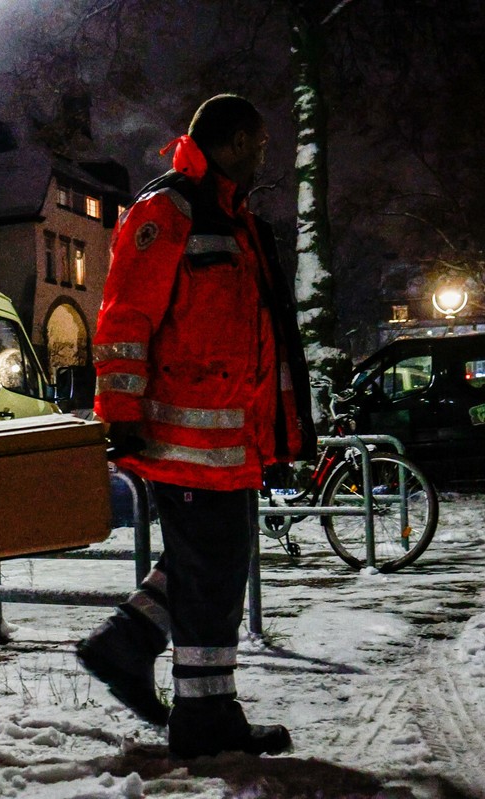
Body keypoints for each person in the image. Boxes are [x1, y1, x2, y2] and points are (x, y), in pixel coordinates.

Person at [76, 94, 316, 760]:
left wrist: (274, 433)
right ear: (234, 141)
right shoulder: (167, 211)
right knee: (210, 567)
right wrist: (121, 416)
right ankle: (199, 712)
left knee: (210, 566)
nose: (267, 154)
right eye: (261, 143)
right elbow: (124, 320)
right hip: (182, 442)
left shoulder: (232, 220)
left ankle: (151, 668)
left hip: (226, 443)